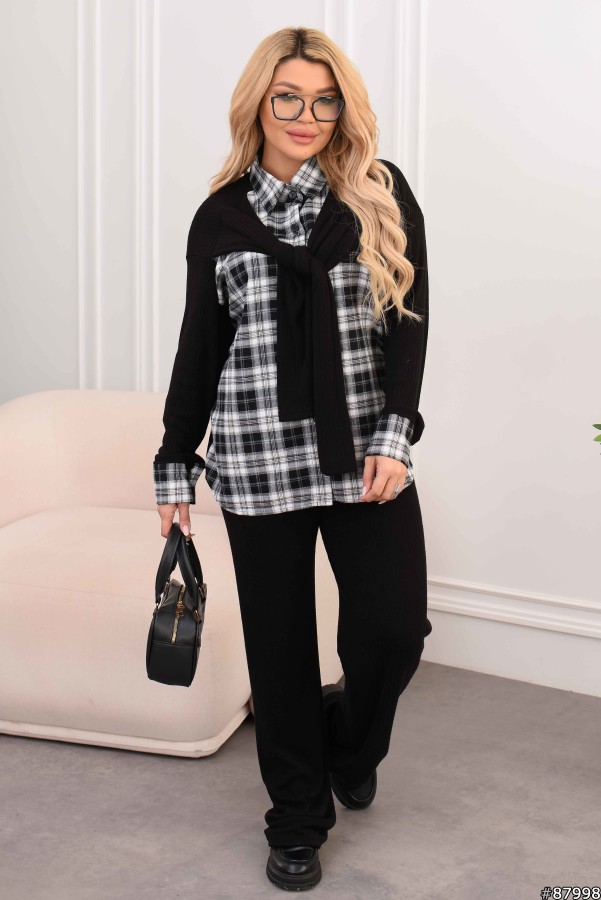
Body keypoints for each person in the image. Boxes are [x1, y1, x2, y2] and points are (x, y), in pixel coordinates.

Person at [153, 25, 432, 892]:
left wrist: (396, 432)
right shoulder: (221, 216)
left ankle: (349, 741)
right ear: (258, 104)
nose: (306, 116)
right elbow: (200, 349)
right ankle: (297, 820)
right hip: (257, 453)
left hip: (363, 454)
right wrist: (173, 460)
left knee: (392, 629)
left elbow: (409, 326)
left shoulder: (378, 194)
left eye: (324, 101)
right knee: (279, 650)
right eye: (288, 98)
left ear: (341, 109)